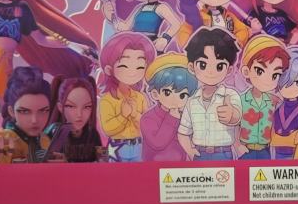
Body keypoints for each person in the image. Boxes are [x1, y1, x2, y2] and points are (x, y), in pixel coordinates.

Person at [177, 28, 242, 161]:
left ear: (229, 70)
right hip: (199, 154)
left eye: (219, 66)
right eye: (202, 64)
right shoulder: (192, 101)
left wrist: (231, 115)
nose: (211, 72)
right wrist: (190, 151)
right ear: (191, 67)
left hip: (223, 153)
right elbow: (183, 132)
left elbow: (237, 117)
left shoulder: (230, 95)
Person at [98, 31, 155, 162]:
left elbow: (148, 127)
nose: (132, 73)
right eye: (124, 66)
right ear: (109, 69)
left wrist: (135, 115)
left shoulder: (140, 98)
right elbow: (108, 130)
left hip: (139, 146)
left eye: (140, 67)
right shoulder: (107, 100)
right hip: (117, 147)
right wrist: (122, 116)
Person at [0, 66, 53, 163]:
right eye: (25, 111)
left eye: (43, 111)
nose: (34, 120)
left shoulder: (45, 140)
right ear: (11, 111)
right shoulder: (2, 139)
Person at [237, 35, 290, 160]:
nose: (267, 80)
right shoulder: (240, 100)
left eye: (275, 75)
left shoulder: (274, 101)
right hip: (245, 150)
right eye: (260, 71)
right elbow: (233, 126)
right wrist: (237, 145)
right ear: (246, 71)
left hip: (265, 151)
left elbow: (290, 102)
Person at [142, 52, 198, 161]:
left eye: (182, 95)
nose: (175, 99)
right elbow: (158, 143)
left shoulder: (186, 115)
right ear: (155, 94)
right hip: (154, 167)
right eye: (167, 93)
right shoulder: (148, 118)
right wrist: (172, 118)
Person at [45, 76, 103, 162]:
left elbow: (103, 162)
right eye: (71, 106)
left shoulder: (93, 134)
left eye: (87, 107)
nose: (79, 114)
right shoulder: (53, 135)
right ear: (60, 107)